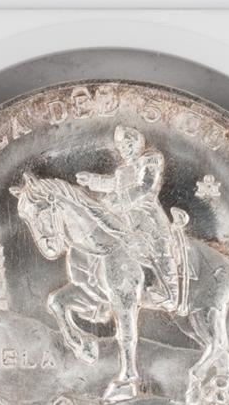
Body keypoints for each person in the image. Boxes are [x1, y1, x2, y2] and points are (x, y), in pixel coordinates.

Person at [76, 125, 182, 311]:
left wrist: (119, 201)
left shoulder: (150, 160)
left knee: (161, 247)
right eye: (121, 146)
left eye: (128, 144)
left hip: (148, 217)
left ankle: (170, 293)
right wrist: (91, 180)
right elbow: (113, 184)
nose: (124, 149)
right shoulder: (123, 171)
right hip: (126, 219)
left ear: (138, 143)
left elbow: (145, 187)